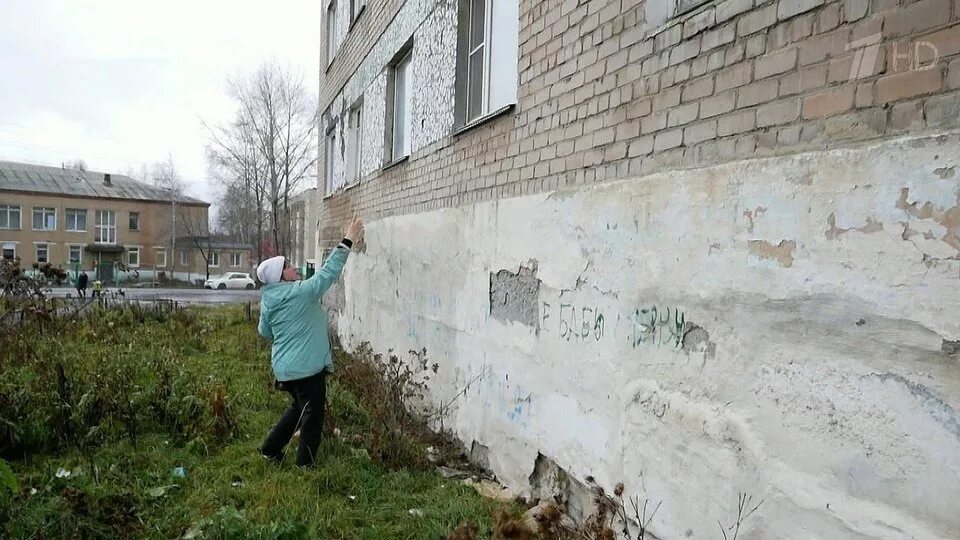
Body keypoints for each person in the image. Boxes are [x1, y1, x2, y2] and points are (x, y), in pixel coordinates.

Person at [257, 216, 364, 467]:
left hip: (285, 369)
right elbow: (328, 273)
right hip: (306, 369)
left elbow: (265, 332)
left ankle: (269, 449)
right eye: (288, 266)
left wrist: (288, 335)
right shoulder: (301, 292)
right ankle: (305, 465)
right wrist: (348, 239)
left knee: (299, 409)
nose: (294, 267)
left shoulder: (269, 300)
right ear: (281, 277)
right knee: (313, 415)